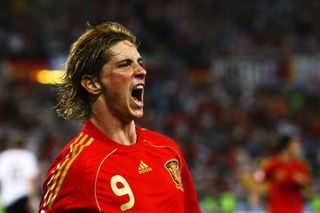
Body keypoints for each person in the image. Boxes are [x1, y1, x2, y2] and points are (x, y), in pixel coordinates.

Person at [38, 22, 201, 213]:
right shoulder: (77, 168)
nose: (141, 71)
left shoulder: (167, 150)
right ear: (92, 83)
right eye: (125, 64)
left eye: (140, 63)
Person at [253, 135, 311, 213]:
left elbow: (308, 190)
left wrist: (303, 182)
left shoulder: (301, 166)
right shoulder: (272, 163)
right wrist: (256, 193)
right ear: (286, 146)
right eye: (295, 144)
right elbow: (257, 177)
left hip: (295, 210)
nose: (298, 147)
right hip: (276, 209)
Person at [0, 134, 38, 213]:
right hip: (23, 195)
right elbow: (31, 180)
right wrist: (32, 200)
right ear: (23, 144)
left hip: (8, 198)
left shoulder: (4, 156)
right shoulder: (28, 156)